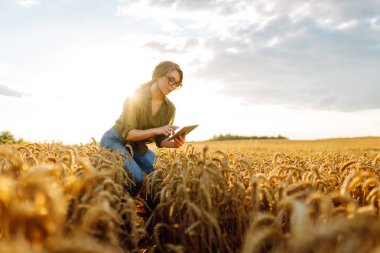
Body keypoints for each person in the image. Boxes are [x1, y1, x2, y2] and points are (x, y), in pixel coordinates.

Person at [100, 61, 185, 196]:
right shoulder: (135, 99)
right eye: (170, 80)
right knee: (137, 178)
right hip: (115, 140)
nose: (172, 86)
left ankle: (151, 211)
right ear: (157, 76)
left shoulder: (170, 108)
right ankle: (123, 208)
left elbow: (160, 139)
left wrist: (173, 144)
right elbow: (129, 134)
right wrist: (157, 130)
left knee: (161, 173)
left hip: (137, 146)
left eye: (176, 83)